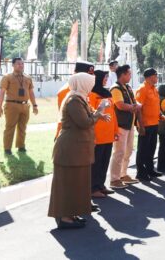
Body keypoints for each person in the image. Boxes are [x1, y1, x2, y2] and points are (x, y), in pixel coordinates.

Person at [48, 72, 111, 229]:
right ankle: (65, 217)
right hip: (70, 148)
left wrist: (99, 114)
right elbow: (84, 122)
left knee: (76, 182)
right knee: (67, 183)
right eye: (89, 83)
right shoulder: (74, 100)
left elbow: (89, 117)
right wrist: (100, 110)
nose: (91, 86)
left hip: (77, 148)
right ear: (82, 84)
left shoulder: (80, 98)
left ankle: (72, 213)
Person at [109, 65, 142, 188]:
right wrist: (135, 107)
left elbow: (133, 101)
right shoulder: (115, 88)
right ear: (122, 75)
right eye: (129, 74)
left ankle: (123, 174)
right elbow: (120, 105)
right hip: (121, 125)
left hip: (129, 124)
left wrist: (138, 104)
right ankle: (114, 179)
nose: (130, 76)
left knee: (128, 151)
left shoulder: (127, 87)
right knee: (119, 152)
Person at [0, 57, 38, 155]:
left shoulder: (27, 77)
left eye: (22, 63)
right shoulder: (7, 77)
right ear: (13, 65)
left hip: (25, 106)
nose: (21, 65)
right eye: (18, 64)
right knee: (10, 127)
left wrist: (34, 105)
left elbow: (31, 92)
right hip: (12, 105)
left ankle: (21, 146)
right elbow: (2, 92)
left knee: (22, 127)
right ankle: (7, 148)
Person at [89, 70, 118, 198]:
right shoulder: (92, 94)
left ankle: (101, 185)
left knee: (105, 161)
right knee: (96, 163)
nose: (106, 79)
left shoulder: (107, 93)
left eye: (107, 77)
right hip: (98, 135)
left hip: (108, 134)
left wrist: (115, 131)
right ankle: (93, 188)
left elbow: (113, 114)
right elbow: (92, 113)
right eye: (104, 77)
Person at [135, 68, 163, 181]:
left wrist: (160, 114)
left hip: (154, 123)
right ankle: (141, 172)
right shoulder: (142, 89)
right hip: (145, 124)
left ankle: (150, 169)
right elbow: (138, 109)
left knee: (151, 148)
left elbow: (155, 105)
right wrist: (140, 125)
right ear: (150, 77)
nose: (157, 78)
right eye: (156, 76)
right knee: (142, 149)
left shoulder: (154, 89)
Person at [55, 61, 95, 140]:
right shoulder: (67, 91)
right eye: (86, 75)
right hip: (71, 135)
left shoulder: (83, 89)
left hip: (83, 133)